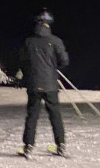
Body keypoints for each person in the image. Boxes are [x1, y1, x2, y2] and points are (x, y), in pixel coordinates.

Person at [18, 9, 70, 158]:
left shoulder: (28, 41)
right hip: (50, 85)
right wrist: (54, 65)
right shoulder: (55, 41)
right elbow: (64, 61)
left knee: (32, 114)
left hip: (34, 84)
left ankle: (28, 145)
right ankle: (61, 145)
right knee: (55, 114)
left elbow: (22, 61)